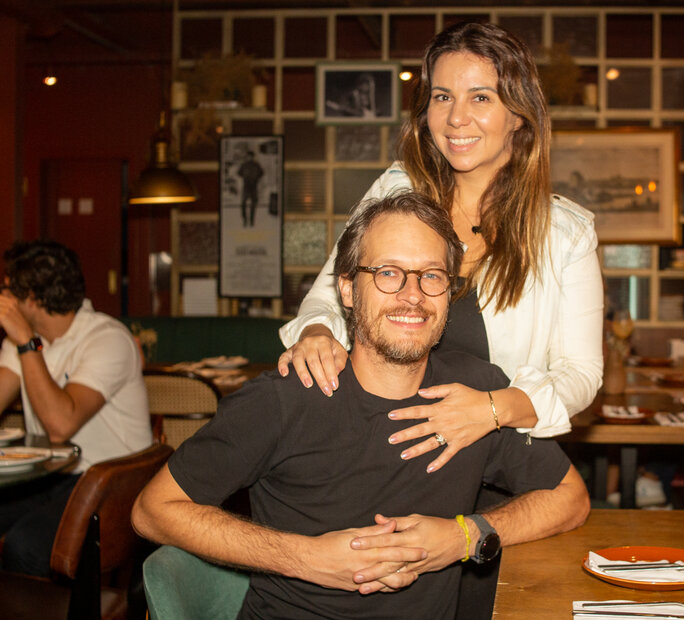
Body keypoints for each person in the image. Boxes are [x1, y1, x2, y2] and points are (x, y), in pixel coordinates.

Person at [131, 192, 590, 619]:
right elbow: (153, 510)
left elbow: (569, 498)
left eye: (431, 276)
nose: (413, 295)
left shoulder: (474, 394)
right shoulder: (287, 398)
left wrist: (464, 537)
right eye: (388, 273)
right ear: (348, 290)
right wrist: (306, 558)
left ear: (449, 293)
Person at [278, 23, 603, 616]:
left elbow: (581, 376)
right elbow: (330, 291)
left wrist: (491, 408)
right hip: (382, 462)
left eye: (481, 97)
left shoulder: (565, 231)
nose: (457, 117)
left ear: (518, 116)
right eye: (442, 96)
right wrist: (318, 332)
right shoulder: (396, 189)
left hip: (500, 475)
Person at [0, 240, 152, 576]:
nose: (3, 298)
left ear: (32, 299)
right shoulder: (21, 341)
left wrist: (26, 341)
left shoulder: (107, 338)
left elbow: (59, 425)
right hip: (48, 476)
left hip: (109, 483)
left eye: (8, 290)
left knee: (24, 546)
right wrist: (23, 340)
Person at [238, 150, 264, 227]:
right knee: (243, 203)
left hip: (254, 186)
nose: (249, 157)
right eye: (248, 156)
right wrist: (245, 177)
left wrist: (256, 179)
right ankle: (245, 220)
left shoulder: (256, 165)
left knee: (253, 204)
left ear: (253, 157)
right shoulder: (244, 165)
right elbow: (239, 173)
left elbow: (261, 173)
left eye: (250, 156)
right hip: (246, 186)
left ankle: (252, 221)